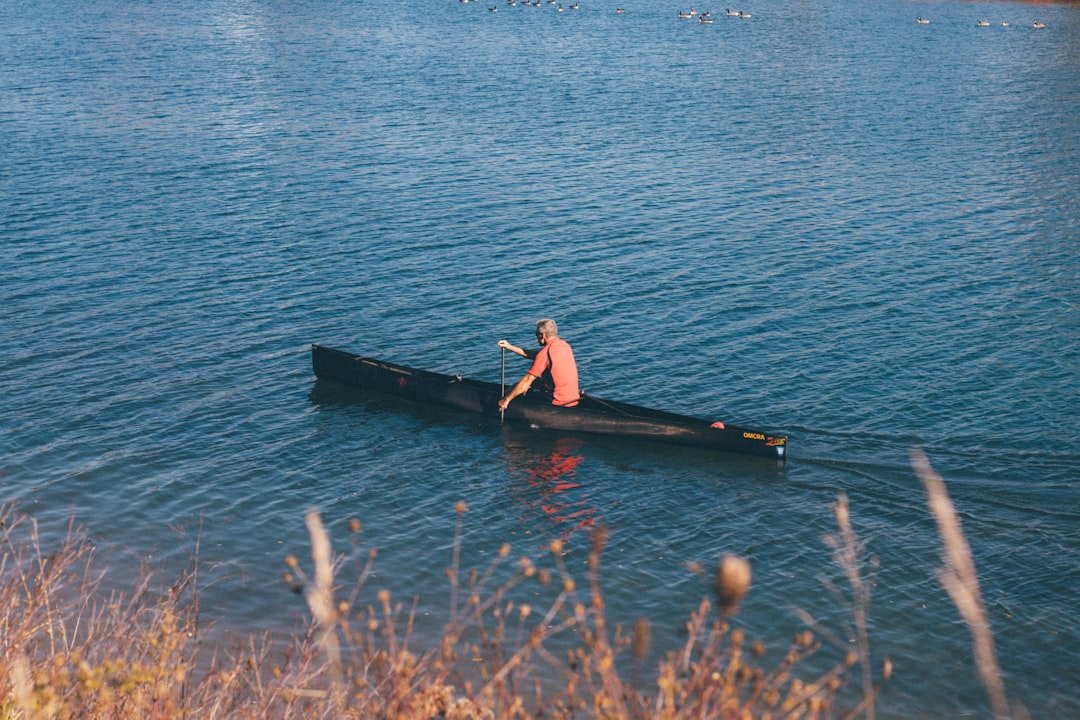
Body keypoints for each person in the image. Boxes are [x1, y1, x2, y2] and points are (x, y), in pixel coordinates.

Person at [498, 319, 580, 410]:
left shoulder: (545, 353)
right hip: (573, 399)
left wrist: (507, 399)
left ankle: (501, 401)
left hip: (556, 403)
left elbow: (527, 380)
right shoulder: (564, 346)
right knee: (536, 382)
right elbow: (536, 355)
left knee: (521, 385)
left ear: (543, 335)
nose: (536, 337)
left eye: (536, 334)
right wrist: (510, 347)